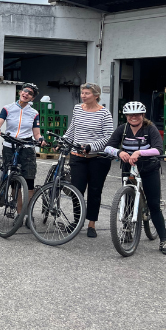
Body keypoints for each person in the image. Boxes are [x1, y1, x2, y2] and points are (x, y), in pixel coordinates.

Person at [104, 101, 166, 255]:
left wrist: (140, 153)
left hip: (148, 168)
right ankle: (127, 229)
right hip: (129, 168)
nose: (133, 117)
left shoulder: (150, 129)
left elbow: (158, 149)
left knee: (154, 205)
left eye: (136, 114)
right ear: (126, 116)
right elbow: (108, 146)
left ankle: (164, 240)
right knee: (127, 199)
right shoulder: (123, 129)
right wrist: (119, 152)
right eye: (130, 115)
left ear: (142, 115)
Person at [63, 82, 113, 238]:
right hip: (77, 157)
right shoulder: (78, 108)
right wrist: (64, 141)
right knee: (76, 190)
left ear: (96, 96)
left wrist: (91, 146)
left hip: (97, 158)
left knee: (95, 191)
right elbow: (73, 128)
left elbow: (108, 136)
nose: (83, 96)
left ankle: (92, 224)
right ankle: (77, 221)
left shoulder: (105, 113)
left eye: (87, 93)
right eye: (82, 93)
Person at [0, 82, 45, 216]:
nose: (26, 94)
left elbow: (37, 133)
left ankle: (27, 214)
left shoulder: (34, 113)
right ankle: (17, 209)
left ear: (32, 98)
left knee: (29, 180)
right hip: (10, 145)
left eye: (30, 93)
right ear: (20, 92)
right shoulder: (7, 108)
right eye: (25, 91)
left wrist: (40, 139)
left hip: (26, 146)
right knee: (14, 181)